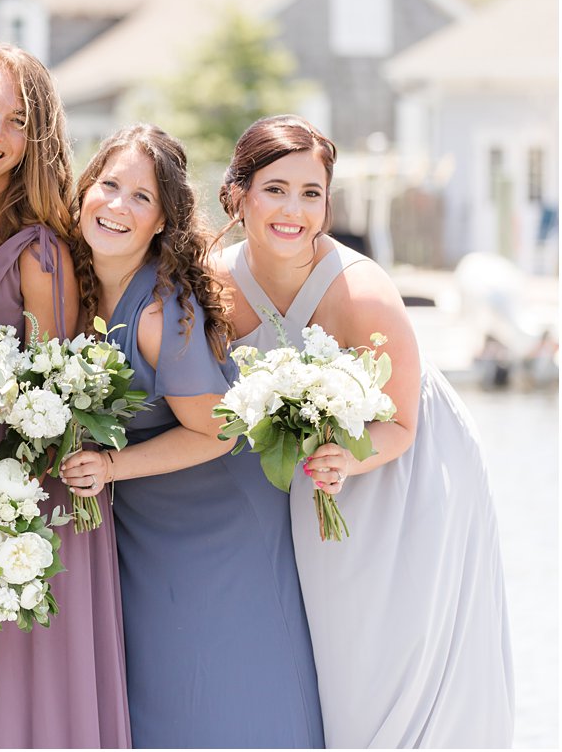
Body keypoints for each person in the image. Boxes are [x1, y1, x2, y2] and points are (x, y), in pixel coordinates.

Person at [212, 114, 513, 748]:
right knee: (339, 659)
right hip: (311, 475)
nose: (294, 210)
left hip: (407, 467)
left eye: (311, 193)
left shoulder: (362, 291)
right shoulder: (214, 283)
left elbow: (404, 420)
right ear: (239, 192)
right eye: (275, 189)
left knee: (401, 651)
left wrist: (347, 462)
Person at [59, 124, 323, 749]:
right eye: (109, 185)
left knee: (229, 691)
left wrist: (110, 468)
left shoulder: (158, 312)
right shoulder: (79, 282)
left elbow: (219, 433)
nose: (119, 206)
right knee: (163, 696)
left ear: (161, 223)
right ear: (84, 191)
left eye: (142, 198)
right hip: (150, 522)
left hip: (219, 519)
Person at [0, 44, 130, 749]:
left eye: (17, 121)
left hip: (33, 489)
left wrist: (11, 506)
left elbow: (57, 402)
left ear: (34, 140)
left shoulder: (39, 253)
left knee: (35, 686)